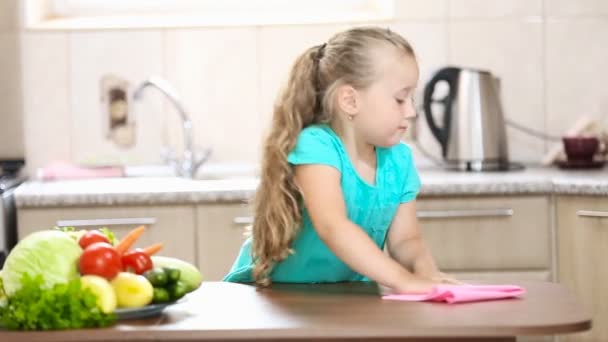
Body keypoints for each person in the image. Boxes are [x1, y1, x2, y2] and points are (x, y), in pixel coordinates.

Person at [224, 26, 459, 293]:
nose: (412, 112)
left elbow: (407, 239)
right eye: (400, 99)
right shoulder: (316, 145)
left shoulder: (399, 159)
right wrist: (403, 281)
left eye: (411, 98)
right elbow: (333, 226)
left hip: (344, 294)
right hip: (271, 293)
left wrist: (426, 273)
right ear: (350, 100)